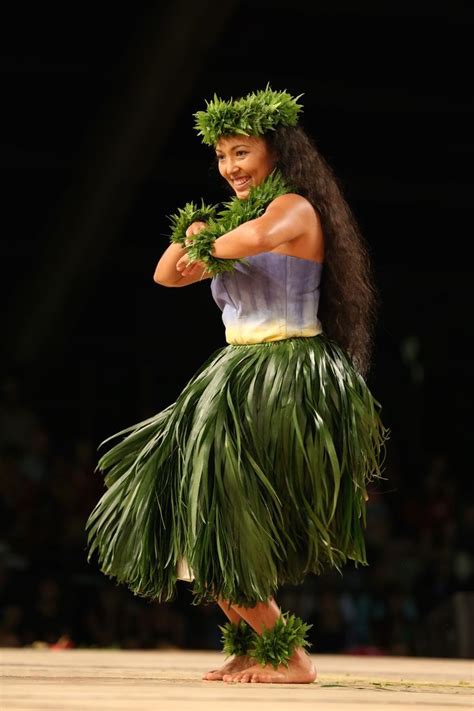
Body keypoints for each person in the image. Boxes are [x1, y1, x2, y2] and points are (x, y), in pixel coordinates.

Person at [86, 86, 387, 684]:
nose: (230, 168)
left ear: (275, 151)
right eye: (222, 156)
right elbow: (167, 275)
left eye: (241, 152)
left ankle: (290, 655)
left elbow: (247, 243)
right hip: (233, 373)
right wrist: (193, 230)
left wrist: (205, 237)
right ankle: (258, 646)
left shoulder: (294, 210)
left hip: (284, 375)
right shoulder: (239, 216)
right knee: (188, 505)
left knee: (220, 511)